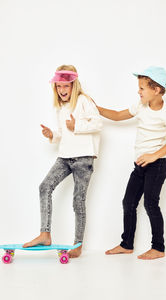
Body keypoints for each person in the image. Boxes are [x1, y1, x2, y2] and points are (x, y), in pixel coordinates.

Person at [96, 66, 166, 259]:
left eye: (142, 88)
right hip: (139, 166)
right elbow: (118, 116)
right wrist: (98, 109)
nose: (138, 91)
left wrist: (153, 156)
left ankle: (158, 248)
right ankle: (127, 244)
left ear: (156, 90)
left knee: (151, 205)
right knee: (128, 202)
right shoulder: (140, 107)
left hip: (156, 166)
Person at [23, 65, 102, 258]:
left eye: (66, 86)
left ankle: (77, 245)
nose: (62, 90)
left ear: (73, 86)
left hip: (84, 157)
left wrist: (78, 125)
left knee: (78, 201)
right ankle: (45, 234)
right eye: (59, 86)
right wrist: (53, 135)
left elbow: (98, 123)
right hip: (65, 156)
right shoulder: (60, 107)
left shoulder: (84, 100)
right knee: (45, 187)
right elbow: (64, 134)